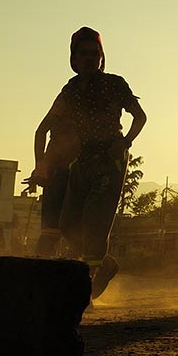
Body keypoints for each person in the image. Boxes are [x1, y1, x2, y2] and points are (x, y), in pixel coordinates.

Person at [44, 27, 146, 299]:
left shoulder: (115, 83)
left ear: (101, 57)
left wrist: (124, 142)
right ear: (73, 59)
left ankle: (85, 290)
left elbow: (140, 117)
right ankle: (106, 263)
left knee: (95, 222)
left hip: (110, 159)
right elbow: (47, 126)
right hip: (83, 159)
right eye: (83, 53)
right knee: (67, 225)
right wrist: (44, 163)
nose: (89, 58)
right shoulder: (69, 90)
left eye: (94, 53)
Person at [25, 94, 79, 257]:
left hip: (84, 174)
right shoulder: (69, 96)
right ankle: (41, 271)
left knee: (79, 234)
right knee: (51, 231)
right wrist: (41, 167)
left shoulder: (101, 98)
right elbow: (41, 131)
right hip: (58, 172)